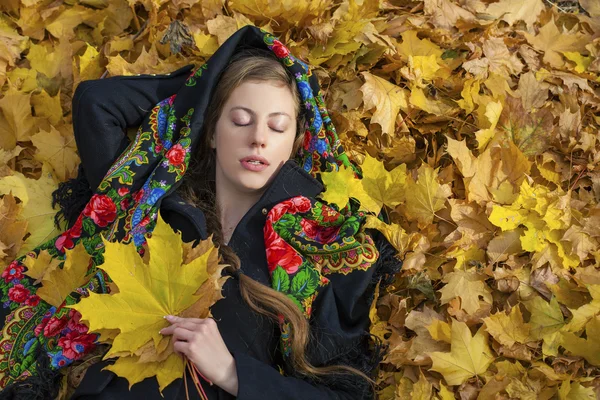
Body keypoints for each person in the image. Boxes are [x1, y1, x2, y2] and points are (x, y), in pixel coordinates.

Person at [0, 26, 401, 400]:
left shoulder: (325, 248)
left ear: (295, 143)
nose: (258, 138)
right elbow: (96, 102)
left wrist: (232, 372)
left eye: (278, 127)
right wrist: (207, 84)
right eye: (240, 119)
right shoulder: (150, 202)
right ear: (210, 131)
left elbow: (343, 393)